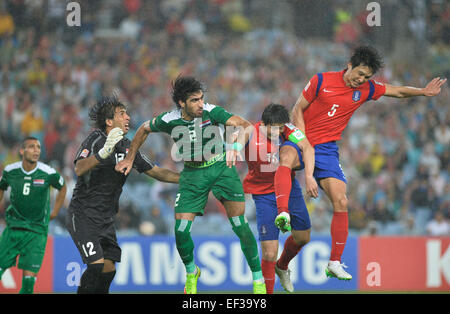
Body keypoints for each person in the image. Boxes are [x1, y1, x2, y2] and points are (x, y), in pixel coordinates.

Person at [275, 45, 447, 280]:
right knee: (286, 157)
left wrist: (423, 92)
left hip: (326, 149)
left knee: (342, 200)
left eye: (366, 77)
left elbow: (396, 91)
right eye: (360, 74)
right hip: (300, 136)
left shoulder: (366, 89)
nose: (361, 79)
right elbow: (297, 109)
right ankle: (283, 213)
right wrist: (304, 144)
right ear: (350, 65)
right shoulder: (320, 80)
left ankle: (334, 261)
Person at [115, 75, 266, 294]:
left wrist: (235, 148)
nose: (200, 104)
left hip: (222, 167)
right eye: (194, 100)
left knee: (239, 225)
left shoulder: (211, 111)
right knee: (181, 231)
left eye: (201, 99)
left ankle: (258, 280)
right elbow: (144, 129)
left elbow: (245, 125)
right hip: (193, 174)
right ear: (181, 103)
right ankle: (191, 272)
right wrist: (130, 158)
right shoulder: (169, 119)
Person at [66, 95, 179, 294]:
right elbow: (79, 168)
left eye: (126, 112)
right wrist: (103, 153)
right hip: (83, 215)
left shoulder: (128, 146)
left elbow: (156, 171)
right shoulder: (95, 139)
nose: (128, 117)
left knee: (108, 270)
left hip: (106, 219)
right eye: (121, 113)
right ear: (109, 121)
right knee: (95, 265)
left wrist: (186, 179)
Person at [243, 103, 318, 293]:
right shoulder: (251, 132)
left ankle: (282, 265)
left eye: (281, 128)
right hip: (263, 195)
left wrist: (309, 176)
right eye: (274, 128)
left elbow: (307, 147)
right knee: (269, 251)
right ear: (264, 124)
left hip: (289, 189)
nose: (278, 132)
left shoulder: (288, 130)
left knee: (303, 238)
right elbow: (232, 143)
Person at [0, 137, 67, 294]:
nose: (36, 150)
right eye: (31, 147)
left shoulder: (48, 172)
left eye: (38, 147)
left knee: (28, 284)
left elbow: (62, 187)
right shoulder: (10, 170)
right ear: (22, 151)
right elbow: (1, 187)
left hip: (36, 233)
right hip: (13, 229)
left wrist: (55, 211)